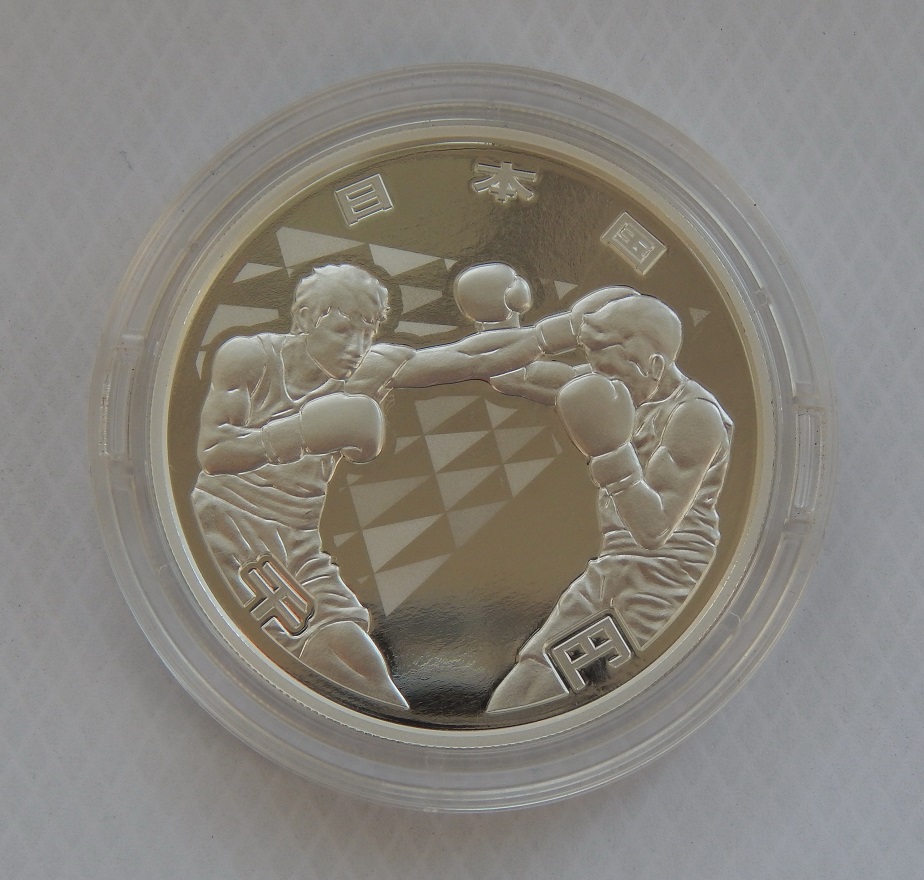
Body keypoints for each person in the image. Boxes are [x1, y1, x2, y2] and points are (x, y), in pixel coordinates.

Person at [193, 261, 543, 709]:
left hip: (298, 537)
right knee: (319, 662)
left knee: (363, 664)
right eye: (343, 331)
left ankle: (411, 744)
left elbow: (474, 358)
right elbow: (213, 453)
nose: (355, 348)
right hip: (232, 525)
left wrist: (570, 328)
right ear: (305, 318)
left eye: (367, 333)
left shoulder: (370, 370)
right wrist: (299, 432)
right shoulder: (250, 358)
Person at [484, 292, 733, 712]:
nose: (602, 382)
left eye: (611, 371)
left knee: (575, 700)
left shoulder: (695, 416)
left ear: (655, 365)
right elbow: (510, 374)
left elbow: (654, 528)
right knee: (526, 681)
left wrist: (610, 452)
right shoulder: (617, 387)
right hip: (610, 567)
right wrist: (528, 328)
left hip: (666, 583)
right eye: (596, 368)